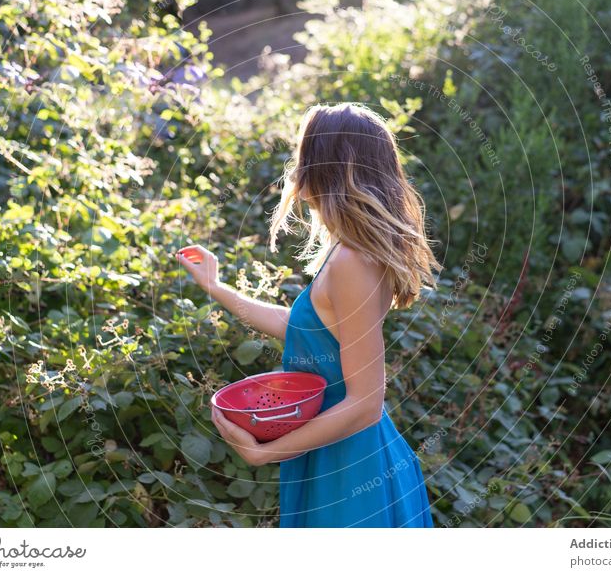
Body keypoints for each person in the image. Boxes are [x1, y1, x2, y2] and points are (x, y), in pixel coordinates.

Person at [176, 102, 441, 527]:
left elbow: (366, 403)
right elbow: (302, 328)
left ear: (325, 167)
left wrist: (267, 452)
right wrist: (215, 286)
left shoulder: (352, 261)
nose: (296, 168)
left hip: (350, 465)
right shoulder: (348, 253)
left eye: (304, 155)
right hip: (333, 449)